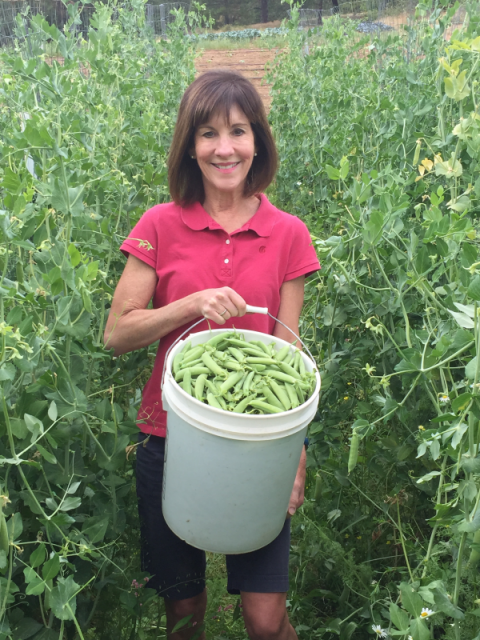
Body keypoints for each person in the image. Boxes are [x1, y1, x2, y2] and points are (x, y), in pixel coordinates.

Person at [104, 69, 320, 640]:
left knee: (266, 619)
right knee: (184, 613)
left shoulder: (289, 233)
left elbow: (288, 355)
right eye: (207, 134)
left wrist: (294, 455)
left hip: (261, 443)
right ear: (189, 146)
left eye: (239, 131)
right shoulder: (160, 224)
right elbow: (117, 333)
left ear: (258, 141)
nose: (225, 148)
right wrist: (191, 304)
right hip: (172, 437)